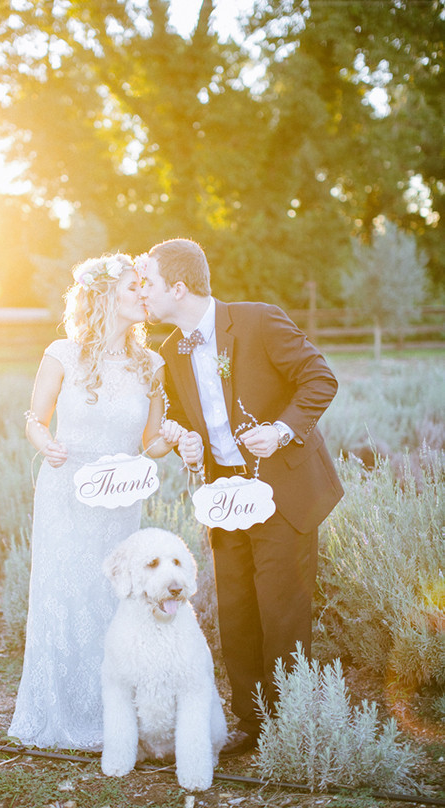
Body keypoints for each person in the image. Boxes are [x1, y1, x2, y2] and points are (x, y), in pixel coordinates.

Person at [140, 238, 344, 757]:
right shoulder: (170, 350)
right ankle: (252, 725)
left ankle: (292, 724)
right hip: (222, 497)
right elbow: (188, 418)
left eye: (150, 284)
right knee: (235, 610)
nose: (143, 293)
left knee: (282, 612)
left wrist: (280, 431)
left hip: (282, 493)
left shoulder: (257, 321)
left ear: (179, 288)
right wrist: (186, 441)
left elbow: (320, 378)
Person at [9, 253, 184, 751]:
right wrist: (45, 443)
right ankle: (60, 712)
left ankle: (115, 716)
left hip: (120, 499)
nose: (143, 295)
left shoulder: (152, 364)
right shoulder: (61, 353)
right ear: (106, 295)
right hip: (65, 492)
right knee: (63, 597)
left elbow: (149, 444)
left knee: (115, 599)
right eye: (134, 287)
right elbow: (34, 419)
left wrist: (168, 438)